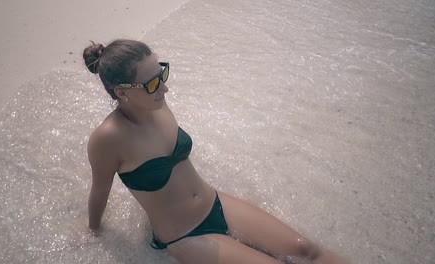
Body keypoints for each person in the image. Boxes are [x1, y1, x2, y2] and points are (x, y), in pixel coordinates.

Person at [83, 39, 348, 264]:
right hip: (186, 236)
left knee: (306, 249)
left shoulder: (157, 103)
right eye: (152, 83)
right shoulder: (108, 138)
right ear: (121, 91)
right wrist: (92, 234)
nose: (165, 87)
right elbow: (99, 191)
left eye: (162, 74)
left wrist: (153, 88)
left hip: (216, 203)